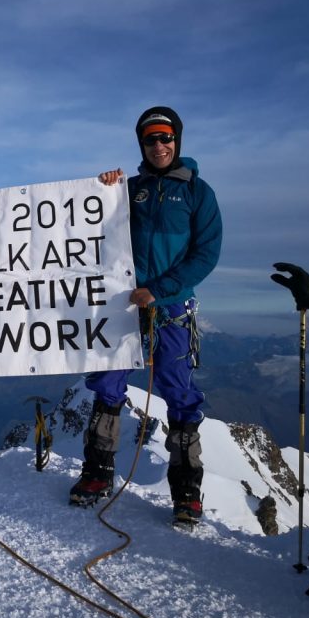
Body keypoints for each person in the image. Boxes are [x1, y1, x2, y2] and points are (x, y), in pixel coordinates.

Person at [69, 106, 223, 524]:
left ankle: (186, 492)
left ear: (178, 141)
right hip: (126, 305)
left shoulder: (197, 193)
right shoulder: (128, 189)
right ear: (142, 143)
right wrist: (100, 190)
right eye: (151, 139)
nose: (159, 145)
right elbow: (93, 227)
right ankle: (98, 473)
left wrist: (159, 289)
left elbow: (205, 254)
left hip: (170, 308)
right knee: (106, 381)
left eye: (166, 138)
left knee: (178, 391)